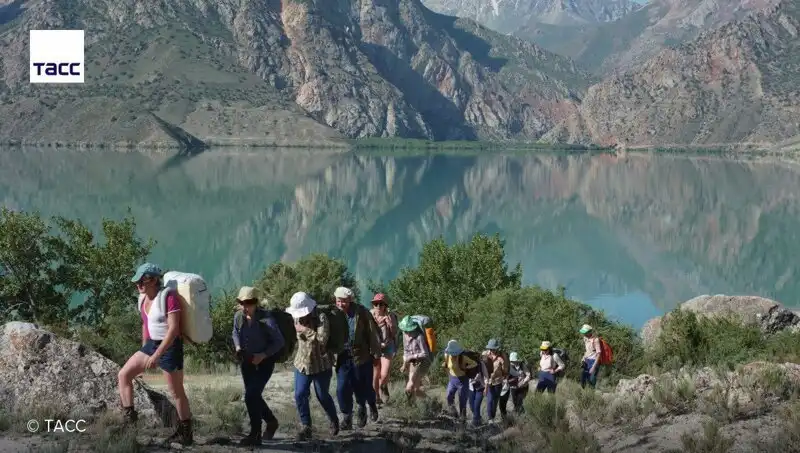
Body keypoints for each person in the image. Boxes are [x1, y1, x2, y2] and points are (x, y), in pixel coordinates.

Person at [118, 263, 192, 445]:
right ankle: (130, 421)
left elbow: (173, 330)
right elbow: (146, 324)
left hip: (170, 346)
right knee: (123, 375)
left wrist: (157, 355)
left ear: (153, 280)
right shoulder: (142, 299)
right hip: (152, 344)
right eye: (136, 282)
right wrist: (144, 351)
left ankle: (186, 433)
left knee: (176, 392)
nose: (138, 285)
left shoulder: (168, 297)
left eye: (141, 282)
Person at [232, 286, 285, 446]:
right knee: (253, 395)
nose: (244, 307)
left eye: (248, 303)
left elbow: (279, 341)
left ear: (256, 303)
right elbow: (235, 332)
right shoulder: (238, 317)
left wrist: (263, 355)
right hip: (246, 361)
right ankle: (271, 422)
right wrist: (238, 347)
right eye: (242, 303)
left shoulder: (267, 320)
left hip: (264, 363)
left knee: (251, 396)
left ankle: (255, 434)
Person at [286, 292, 340, 441]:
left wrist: (305, 330)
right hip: (302, 363)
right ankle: (306, 427)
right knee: (299, 394)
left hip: (321, 364)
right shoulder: (296, 317)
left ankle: (334, 420)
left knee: (322, 395)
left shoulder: (321, 318)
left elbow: (322, 339)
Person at [333, 287, 382, 429]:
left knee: (363, 387)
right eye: (338, 301)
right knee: (342, 388)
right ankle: (347, 417)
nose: (341, 304)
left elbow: (373, 333)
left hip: (361, 356)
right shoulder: (333, 314)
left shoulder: (361, 313)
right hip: (342, 357)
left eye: (344, 301)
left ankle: (367, 406)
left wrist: (376, 354)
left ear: (350, 300)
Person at [370, 293, 397, 405]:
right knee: (375, 375)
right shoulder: (370, 315)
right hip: (374, 347)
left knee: (384, 374)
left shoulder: (391, 316)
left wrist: (390, 323)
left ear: (385, 305)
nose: (378, 306)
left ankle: (383, 386)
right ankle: (377, 398)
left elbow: (394, 333)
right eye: (376, 304)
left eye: (381, 304)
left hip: (387, 346)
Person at [398, 316, 432, 402]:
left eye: (408, 330)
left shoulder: (419, 337)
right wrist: (404, 364)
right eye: (405, 330)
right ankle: (432, 402)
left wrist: (413, 356)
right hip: (413, 363)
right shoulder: (404, 335)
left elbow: (425, 354)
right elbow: (406, 351)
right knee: (414, 389)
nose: (406, 333)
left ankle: (411, 406)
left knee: (411, 388)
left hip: (423, 362)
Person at [442, 339, 478, 418]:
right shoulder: (447, 355)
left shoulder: (463, 357)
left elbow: (474, 363)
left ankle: (463, 420)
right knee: (449, 396)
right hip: (452, 379)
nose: (453, 355)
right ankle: (454, 414)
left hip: (463, 380)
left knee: (462, 401)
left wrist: (466, 367)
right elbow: (446, 366)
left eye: (455, 353)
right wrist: (446, 369)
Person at [483, 339, 507, 422]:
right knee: (489, 400)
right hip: (488, 381)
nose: (492, 350)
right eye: (491, 348)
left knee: (495, 401)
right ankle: (490, 418)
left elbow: (504, 370)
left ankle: (492, 416)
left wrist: (503, 362)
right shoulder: (485, 355)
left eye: (493, 348)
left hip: (498, 382)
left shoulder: (501, 357)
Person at [468, 355, 489, 427]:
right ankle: (479, 418)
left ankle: (475, 423)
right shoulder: (466, 363)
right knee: (471, 406)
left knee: (476, 405)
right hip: (471, 387)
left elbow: (486, 376)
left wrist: (486, 388)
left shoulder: (481, 364)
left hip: (480, 387)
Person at [580, 324, 601, 389]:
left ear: (589, 332)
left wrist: (593, 367)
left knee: (591, 380)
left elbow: (599, 354)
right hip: (587, 361)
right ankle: (584, 392)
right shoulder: (585, 338)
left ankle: (591, 393)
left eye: (585, 332)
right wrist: (583, 358)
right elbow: (587, 351)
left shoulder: (595, 340)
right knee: (583, 379)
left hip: (594, 361)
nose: (584, 334)